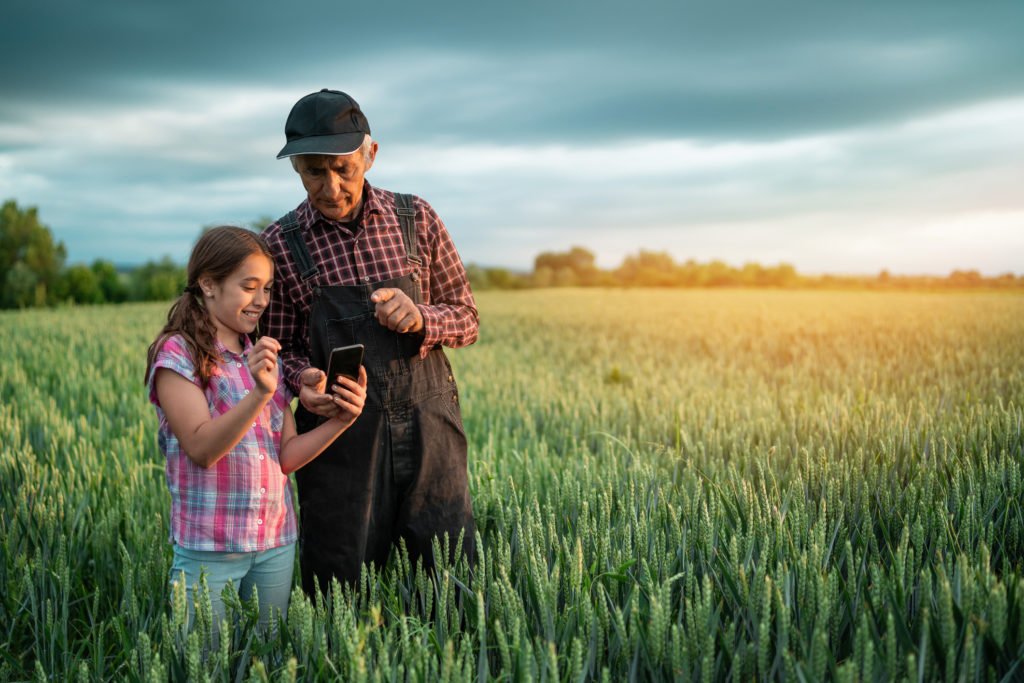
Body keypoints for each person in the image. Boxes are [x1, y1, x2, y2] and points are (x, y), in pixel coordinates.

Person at [260, 89, 478, 594]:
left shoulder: (416, 219)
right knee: (340, 587)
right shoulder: (280, 244)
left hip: (430, 434)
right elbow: (278, 350)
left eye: (343, 168)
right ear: (295, 168)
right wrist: (304, 382)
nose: (331, 187)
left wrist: (422, 317)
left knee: (447, 584)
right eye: (314, 171)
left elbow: (467, 317)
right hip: (338, 439)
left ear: (369, 154)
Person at [144, 226, 367, 630]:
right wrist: (260, 394)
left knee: (269, 662)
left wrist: (341, 420)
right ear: (208, 284)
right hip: (209, 549)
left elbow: (285, 457)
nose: (262, 300)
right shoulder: (178, 354)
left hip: (274, 544)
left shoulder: (263, 356)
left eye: (266, 288)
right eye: (249, 287)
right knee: (204, 665)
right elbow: (201, 448)